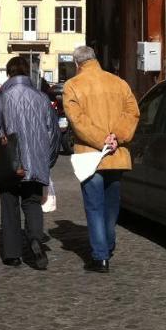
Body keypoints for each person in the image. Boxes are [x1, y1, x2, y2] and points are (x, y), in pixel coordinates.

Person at [0, 56, 60, 269]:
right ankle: (36, 238)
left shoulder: (0, 98)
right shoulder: (42, 99)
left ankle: (12, 254)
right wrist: (47, 160)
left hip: (10, 162)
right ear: (28, 72)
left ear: (9, 73)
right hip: (36, 161)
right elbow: (53, 133)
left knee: (9, 204)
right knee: (32, 203)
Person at [61, 45, 140, 273]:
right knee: (111, 205)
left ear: (77, 64)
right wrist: (117, 136)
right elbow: (132, 112)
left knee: (94, 206)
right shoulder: (119, 83)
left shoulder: (73, 86)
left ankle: (100, 255)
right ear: (95, 59)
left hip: (90, 156)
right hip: (116, 154)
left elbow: (78, 121)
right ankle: (108, 243)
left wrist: (101, 140)